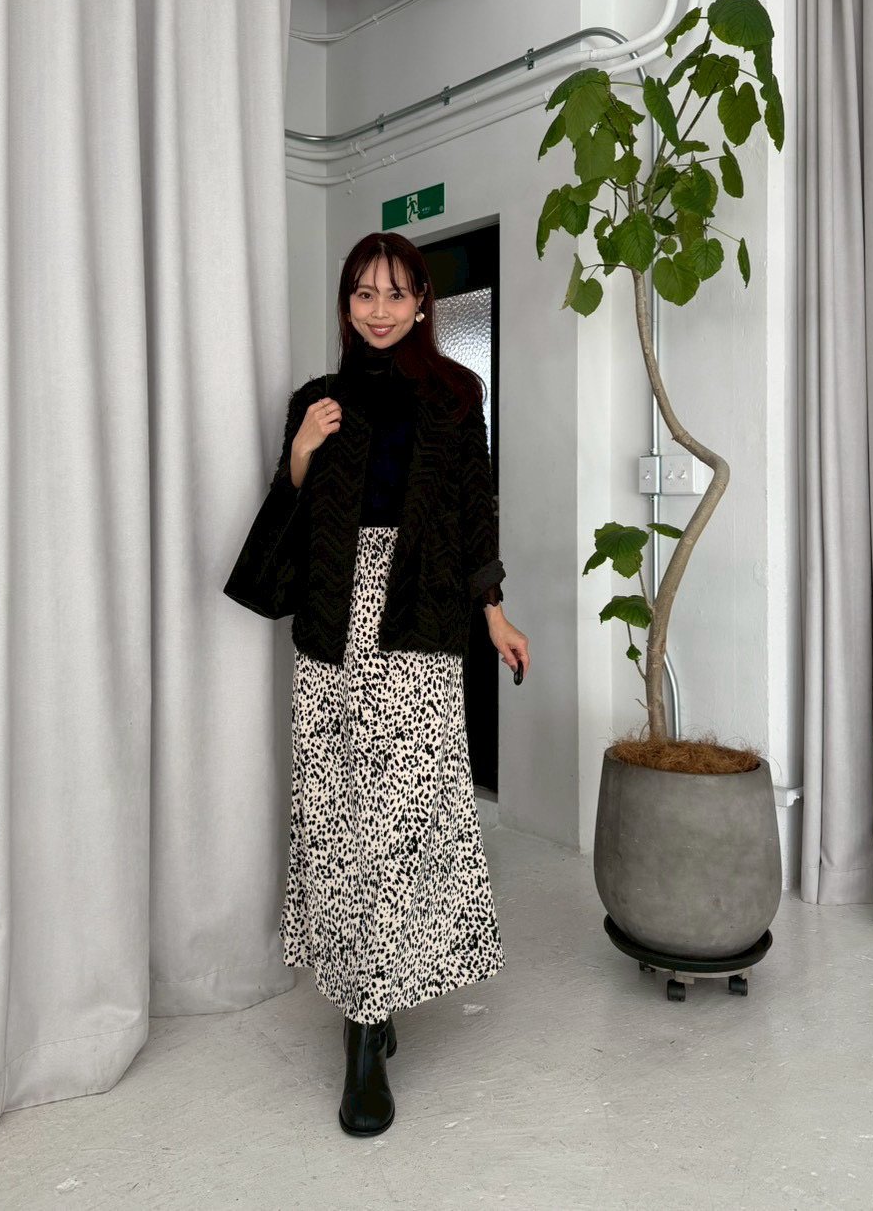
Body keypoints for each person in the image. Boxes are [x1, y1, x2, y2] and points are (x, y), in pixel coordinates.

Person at [274, 233, 530, 1137]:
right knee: (341, 816)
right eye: (363, 294)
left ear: (422, 301)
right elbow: (290, 515)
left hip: (420, 615)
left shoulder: (457, 396)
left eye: (394, 293)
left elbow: (474, 510)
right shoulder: (317, 401)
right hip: (332, 621)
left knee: (403, 818)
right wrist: (302, 448)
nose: (378, 310)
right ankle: (363, 1013)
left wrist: (493, 610)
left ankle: (370, 1018)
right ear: (346, 304)